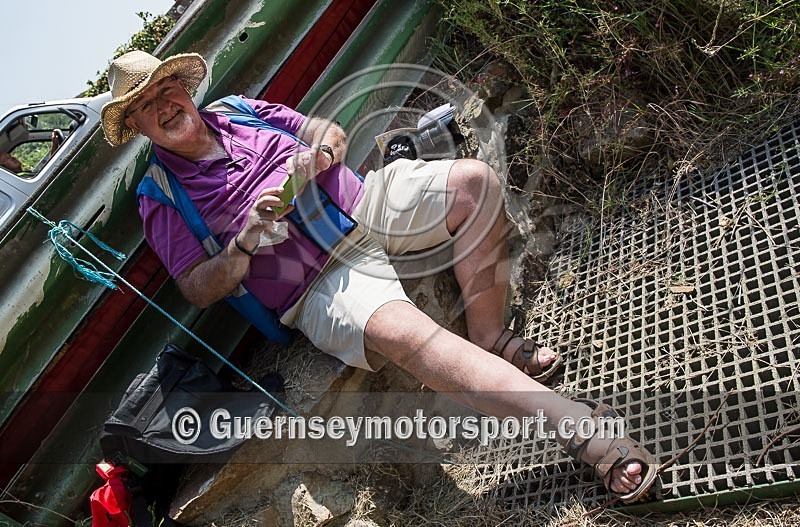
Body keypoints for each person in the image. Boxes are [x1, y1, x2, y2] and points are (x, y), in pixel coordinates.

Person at [101, 50, 658, 502]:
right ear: (137, 126)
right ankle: (584, 430)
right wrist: (246, 238)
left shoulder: (239, 110)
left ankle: (490, 338)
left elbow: (328, 131)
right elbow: (198, 287)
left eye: (165, 89)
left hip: (364, 204)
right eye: (146, 106)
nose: (164, 105)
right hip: (318, 280)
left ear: (182, 86)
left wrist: (319, 153)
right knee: (407, 335)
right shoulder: (161, 196)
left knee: (474, 183)